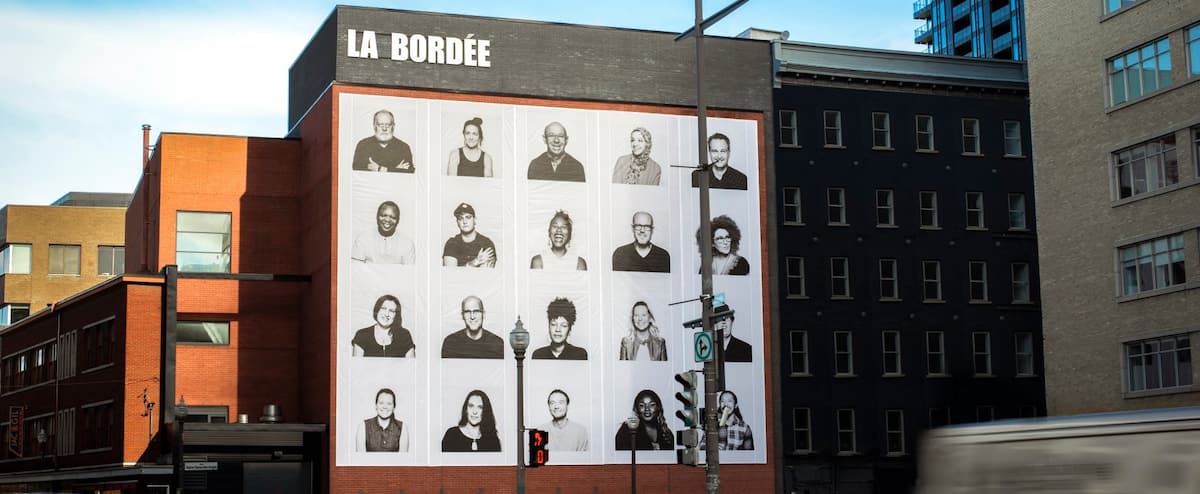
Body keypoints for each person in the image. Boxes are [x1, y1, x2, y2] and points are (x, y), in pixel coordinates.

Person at [351, 295, 416, 358]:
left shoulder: (404, 335)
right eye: (383, 308)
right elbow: (357, 367)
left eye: (391, 311)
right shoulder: (362, 335)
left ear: (396, 315)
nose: (387, 314)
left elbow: (411, 367)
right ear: (377, 310)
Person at [442, 203, 497, 267]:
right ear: (457, 222)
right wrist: (475, 262)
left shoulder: (486, 243)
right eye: (460, 218)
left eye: (468, 217)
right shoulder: (451, 243)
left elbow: (486, 275)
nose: (464, 221)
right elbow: (449, 274)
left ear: (475, 220)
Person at [356, 388, 411, 452]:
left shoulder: (402, 427)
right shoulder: (363, 426)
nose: (385, 406)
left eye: (389, 403)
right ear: (376, 405)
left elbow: (403, 460)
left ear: (394, 407)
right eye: (381, 403)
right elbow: (361, 460)